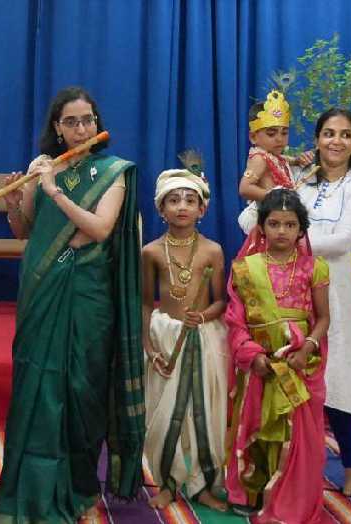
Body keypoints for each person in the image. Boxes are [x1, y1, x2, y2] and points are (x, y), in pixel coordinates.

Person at [0, 86, 144, 522]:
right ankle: (30, 492)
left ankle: (78, 489)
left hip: (87, 295)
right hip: (43, 289)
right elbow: (25, 231)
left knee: (81, 391)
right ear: (57, 129)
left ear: (97, 123)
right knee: (37, 388)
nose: (81, 129)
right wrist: (13, 200)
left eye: (88, 120)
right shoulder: (43, 168)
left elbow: (99, 229)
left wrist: (54, 190)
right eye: (71, 122)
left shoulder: (113, 171)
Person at [224, 188, 330, 523]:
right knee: (256, 423)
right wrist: (251, 354)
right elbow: (235, 320)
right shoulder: (244, 269)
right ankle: (252, 491)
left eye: (289, 224)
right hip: (259, 362)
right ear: (261, 228)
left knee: (295, 433)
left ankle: (290, 497)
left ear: (301, 230)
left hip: (299, 362)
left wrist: (308, 348)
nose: (281, 231)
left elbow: (323, 318)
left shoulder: (315, 267)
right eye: (274, 223)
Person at [294, 108, 351, 497]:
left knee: (338, 380)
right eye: (328, 133)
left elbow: (344, 241)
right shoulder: (300, 181)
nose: (336, 141)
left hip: (335, 294)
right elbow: (249, 220)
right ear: (316, 139)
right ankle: (291, 470)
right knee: (290, 380)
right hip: (289, 292)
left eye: (346, 135)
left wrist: (286, 240)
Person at [141, 154, 228, 511]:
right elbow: (146, 303)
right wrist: (149, 348)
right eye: (174, 200)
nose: (182, 207)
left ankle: (204, 485)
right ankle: (167, 481)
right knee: (165, 415)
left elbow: (222, 300)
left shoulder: (212, 251)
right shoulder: (150, 252)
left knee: (204, 413)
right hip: (165, 336)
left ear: (202, 208)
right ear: (162, 207)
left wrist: (204, 316)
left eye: (190, 200)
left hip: (204, 337)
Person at [238, 90, 305, 233]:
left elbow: (285, 160)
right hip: (269, 222)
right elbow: (244, 188)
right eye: (271, 133)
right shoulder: (259, 159)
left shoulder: (273, 156)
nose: (279, 139)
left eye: (284, 133)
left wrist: (297, 160)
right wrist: (277, 197)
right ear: (253, 137)